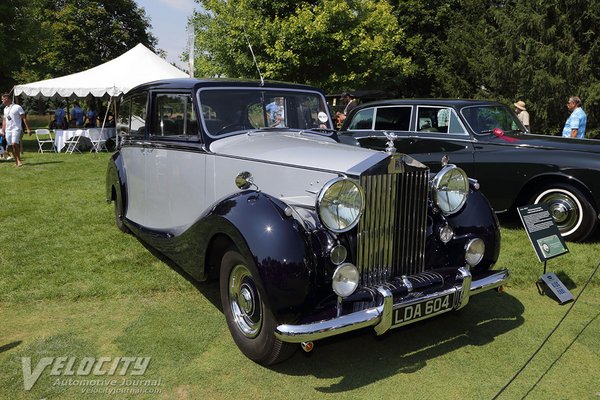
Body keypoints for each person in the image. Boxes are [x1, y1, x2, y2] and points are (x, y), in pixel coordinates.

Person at [1, 93, 31, 167]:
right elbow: (5, 120)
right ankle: (16, 161)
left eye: (3, 99)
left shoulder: (17, 107)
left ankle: (19, 160)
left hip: (16, 128)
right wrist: (3, 129)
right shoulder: (5, 109)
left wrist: (28, 129)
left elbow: (24, 118)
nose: (2, 100)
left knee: (14, 144)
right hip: (8, 130)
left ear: (8, 99)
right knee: (10, 146)